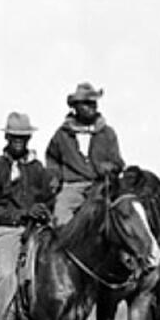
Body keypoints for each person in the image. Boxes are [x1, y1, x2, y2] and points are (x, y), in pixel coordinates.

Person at [0, 112, 56, 320]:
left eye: (23, 137)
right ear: (7, 137)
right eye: (14, 137)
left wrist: (45, 208)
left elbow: (47, 196)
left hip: (37, 227)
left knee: (59, 263)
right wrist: (22, 214)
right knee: (6, 273)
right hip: (8, 229)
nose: (19, 142)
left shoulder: (36, 168)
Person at [45, 82, 124, 225]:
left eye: (93, 103)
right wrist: (55, 177)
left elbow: (118, 161)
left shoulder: (107, 133)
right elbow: (52, 157)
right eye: (86, 103)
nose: (91, 107)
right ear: (76, 107)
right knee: (61, 214)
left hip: (101, 185)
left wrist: (111, 167)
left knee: (126, 212)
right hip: (73, 186)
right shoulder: (62, 134)